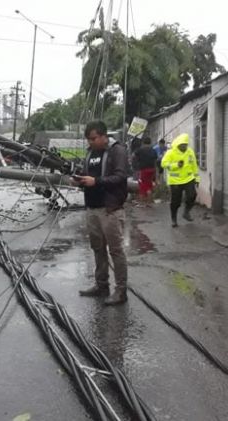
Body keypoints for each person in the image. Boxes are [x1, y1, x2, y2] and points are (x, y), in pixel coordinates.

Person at [71, 120, 129, 306]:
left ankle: (121, 291)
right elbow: (88, 175)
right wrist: (79, 180)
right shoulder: (91, 153)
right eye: (89, 139)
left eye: (94, 138)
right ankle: (101, 285)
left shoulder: (116, 151)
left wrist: (96, 181)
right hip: (93, 207)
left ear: (104, 136)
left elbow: (120, 177)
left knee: (116, 250)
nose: (91, 142)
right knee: (98, 249)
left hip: (110, 209)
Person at [161, 133, 200, 227]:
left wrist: (197, 178)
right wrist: (176, 165)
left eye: (186, 145)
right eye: (182, 145)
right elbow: (163, 164)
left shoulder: (190, 152)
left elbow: (194, 165)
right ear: (178, 144)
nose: (184, 147)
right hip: (175, 181)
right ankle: (173, 219)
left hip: (188, 179)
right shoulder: (171, 152)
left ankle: (186, 212)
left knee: (192, 195)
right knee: (175, 202)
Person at [133, 137, 157, 204]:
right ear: (150, 142)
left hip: (143, 170)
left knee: (142, 186)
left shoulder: (140, 150)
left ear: (143, 142)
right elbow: (155, 161)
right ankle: (149, 203)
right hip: (152, 170)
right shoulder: (153, 150)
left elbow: (133, 156)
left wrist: (136, 164)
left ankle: (142, 203)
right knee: (149, 186)